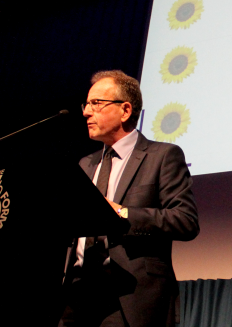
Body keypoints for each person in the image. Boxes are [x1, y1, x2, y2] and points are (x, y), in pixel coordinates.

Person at [60, 70, 199, 327]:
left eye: (96, 104)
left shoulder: (162, 156)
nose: (86, 112)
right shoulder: (85, 164)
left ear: (125, 110)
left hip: (127, 296)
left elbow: (185, 220)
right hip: (76, 296)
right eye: (86, 104)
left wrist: (123, 214)